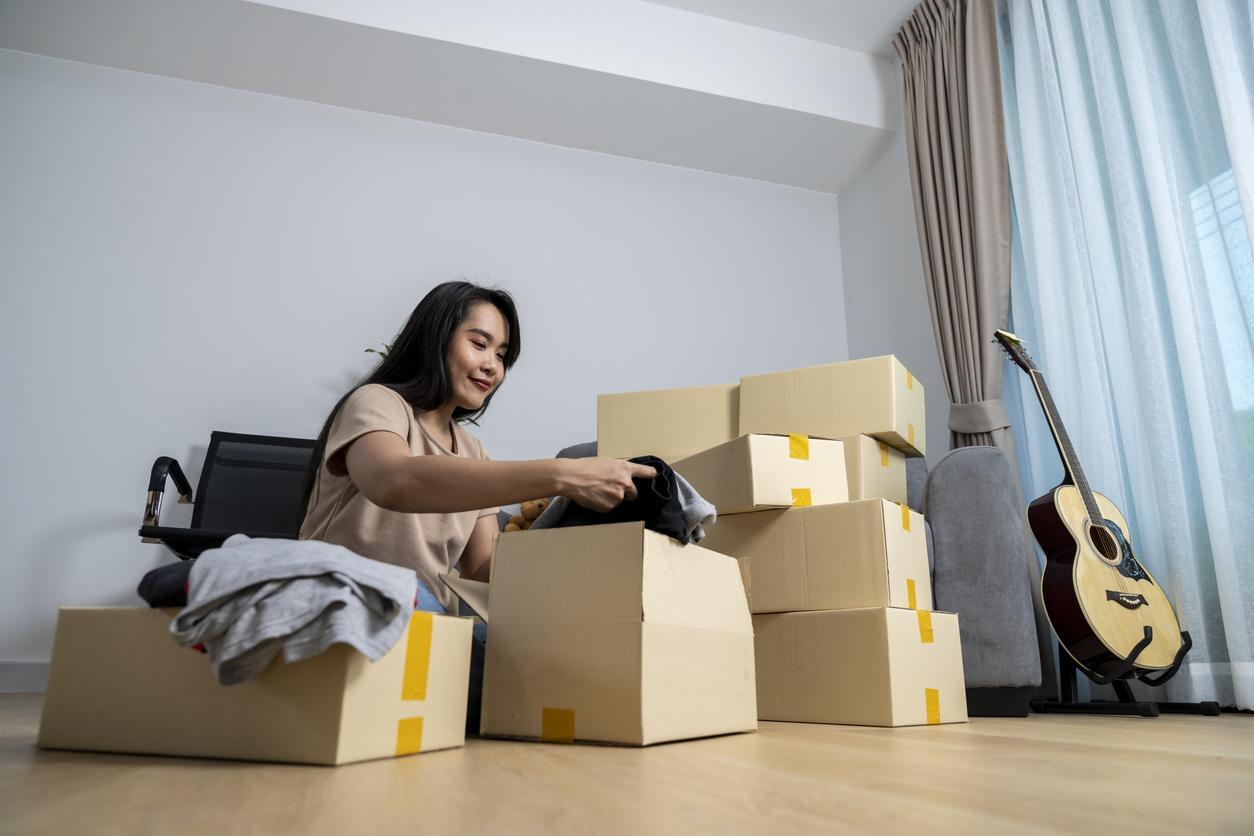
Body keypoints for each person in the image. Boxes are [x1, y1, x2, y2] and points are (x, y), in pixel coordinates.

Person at [299, 279, 656, 614]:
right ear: (435, 340)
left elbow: (483, 570)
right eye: (479, 344)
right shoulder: (377, 402)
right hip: (347, 597)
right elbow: (393, 480)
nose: (492, 366)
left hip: (424, 623)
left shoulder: (474, 451)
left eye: (502, 355)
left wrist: (576, 537)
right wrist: (563, 474)